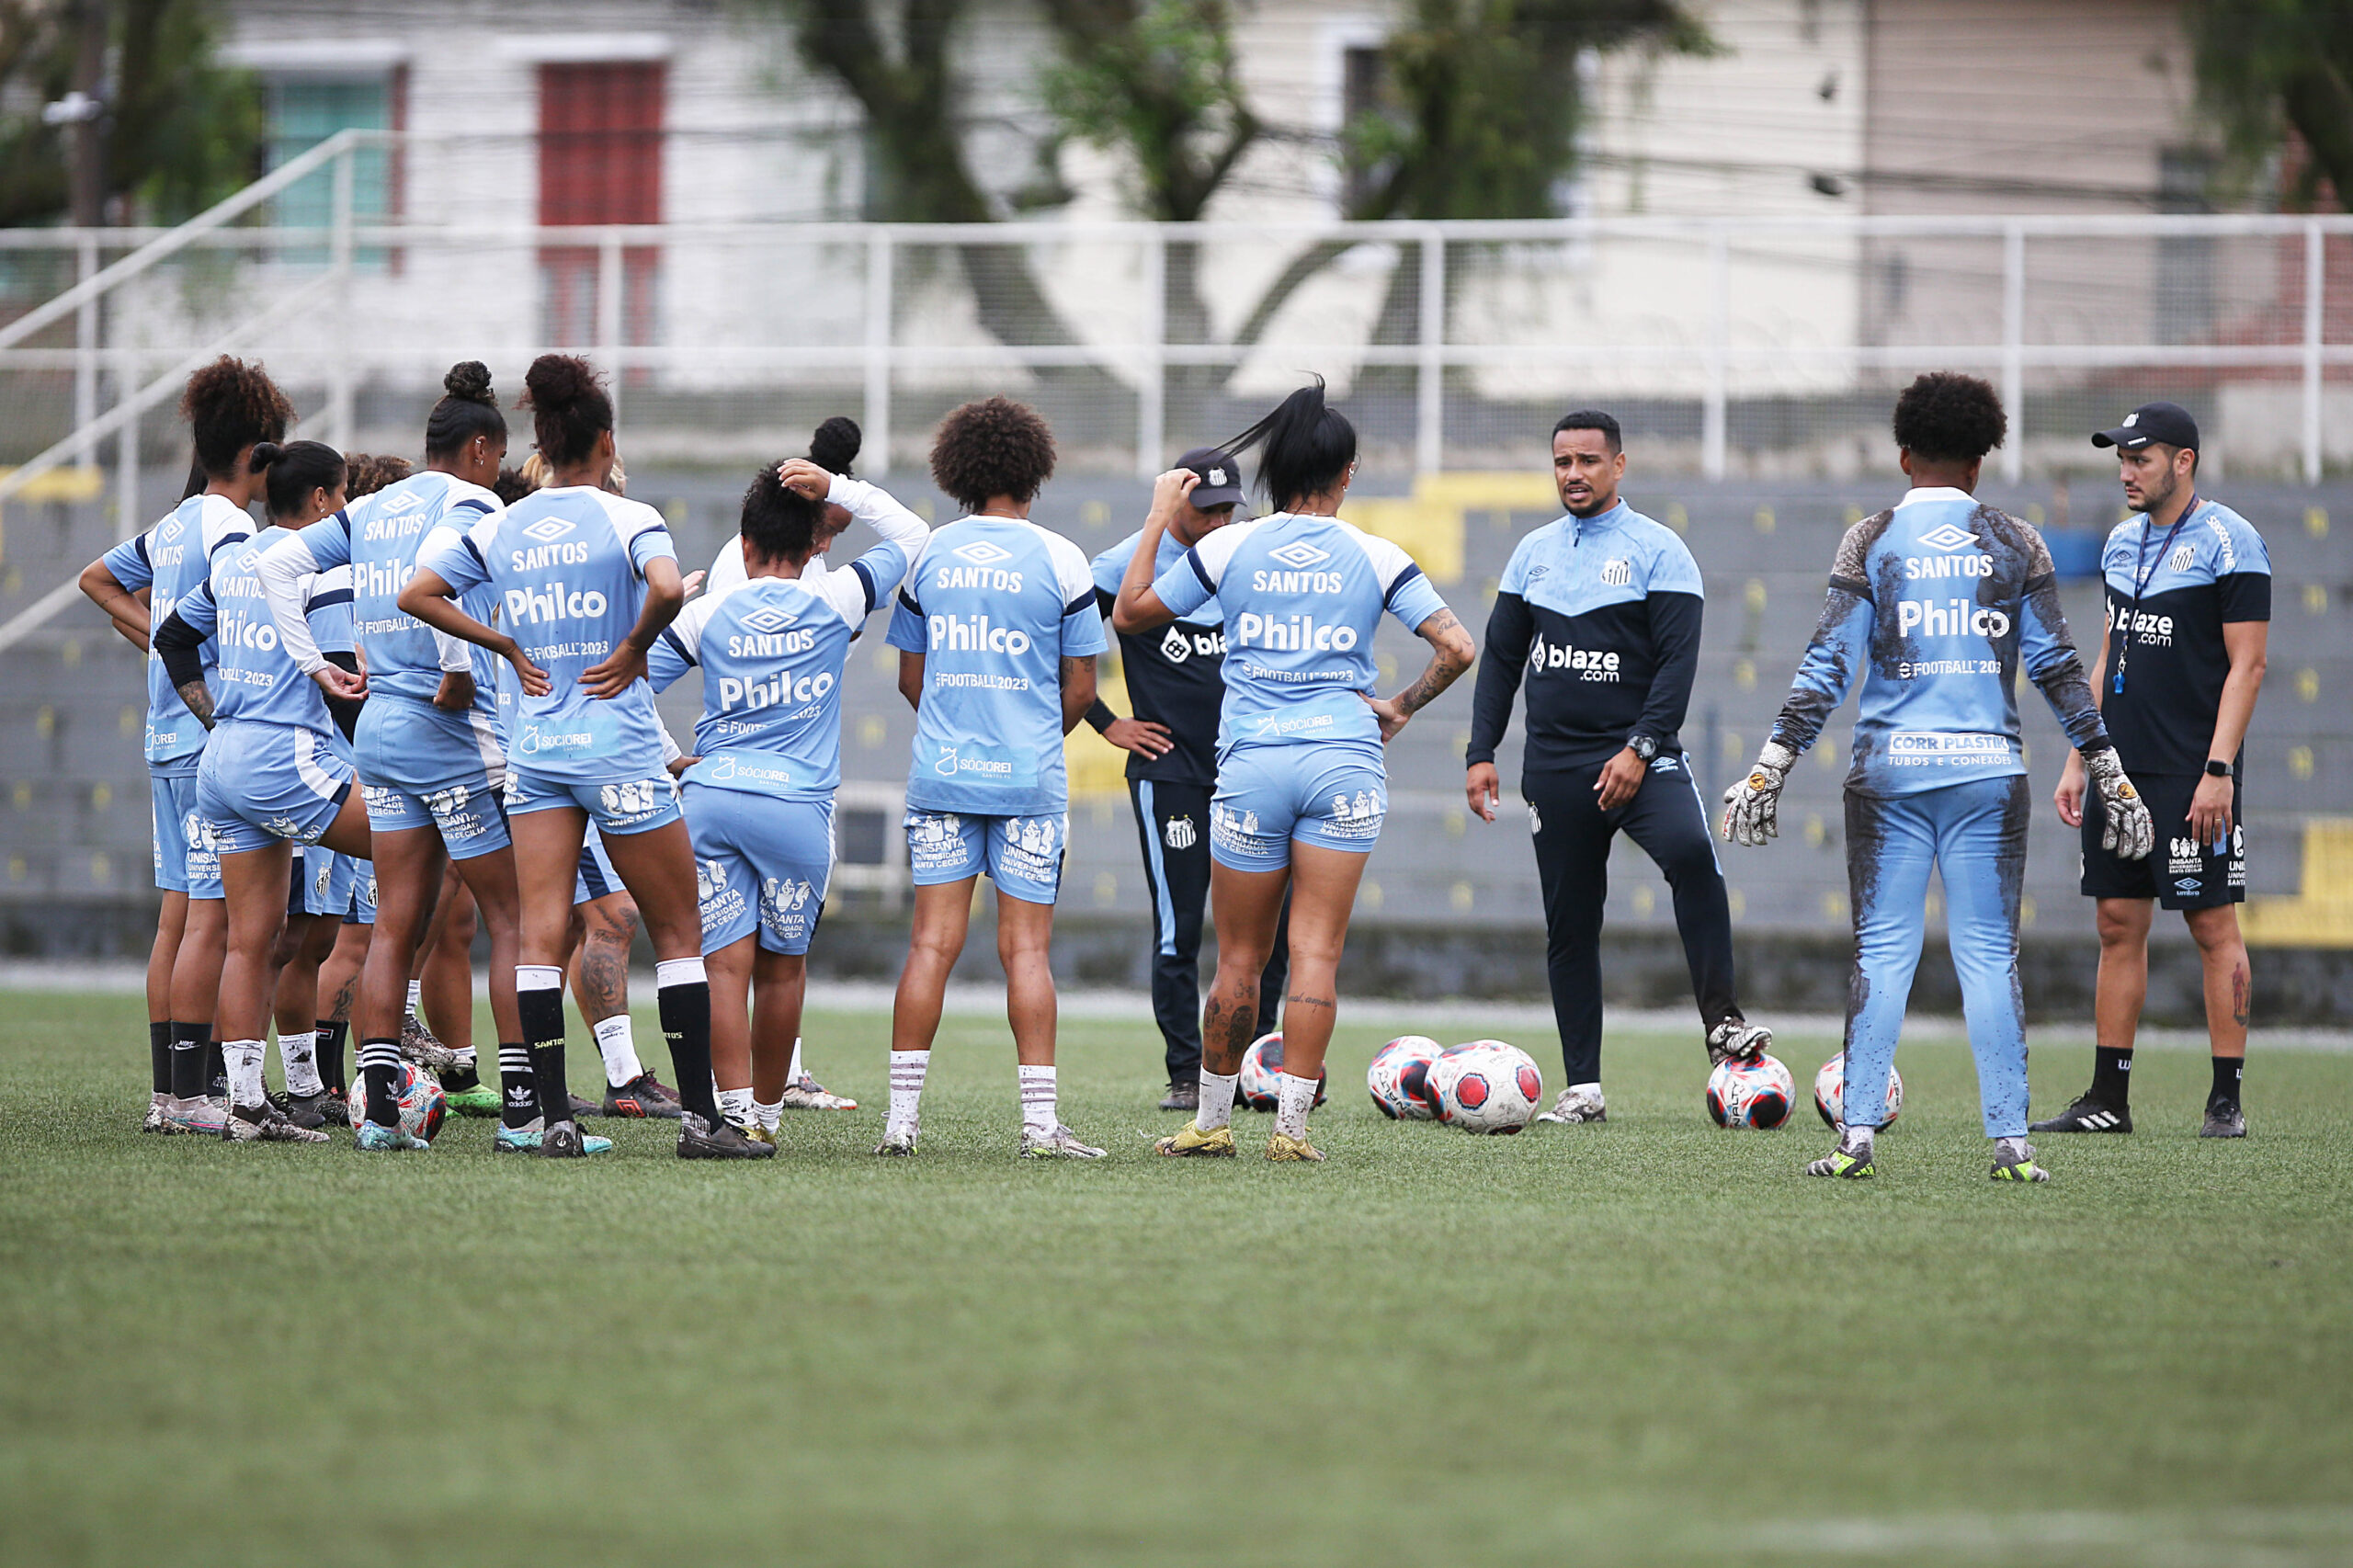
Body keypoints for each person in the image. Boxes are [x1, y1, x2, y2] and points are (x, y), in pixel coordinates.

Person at [1722, 371, 2155, 1184]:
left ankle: (1855, 1143)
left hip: (1889, 776)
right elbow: (2060, 668)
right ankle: (2012, 1147)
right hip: (1989, 776)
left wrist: (1768, 768)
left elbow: (1827, 666)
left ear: (1903, 453)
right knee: (1990, 957)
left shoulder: (1872, 539)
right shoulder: (2016, 541)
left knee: (1882, 955)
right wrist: (2111, 771)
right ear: (1981, 462)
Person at [402, 352, 760, 1159]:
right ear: (603, 440)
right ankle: (703, 1124)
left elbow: (415, 594)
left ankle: (552, 1119)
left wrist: (501, 642)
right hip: (619, 751)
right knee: (676, 929)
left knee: (536, 936)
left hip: (538, 754)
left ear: (542, 444)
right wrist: (637, 647)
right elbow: (668, 589)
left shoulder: (498, 523)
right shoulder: (627, 518)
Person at [1114, 380, 1477, 1163]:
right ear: (1347, 474)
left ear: (1273, 475)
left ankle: (1210, 1124)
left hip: (1251, 769)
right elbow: (1459, 647)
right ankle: (1290, 1132)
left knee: (1239, 957)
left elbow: (1132, 611)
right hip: (1344, 764)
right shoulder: (1377, 554)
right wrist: (1403, 704)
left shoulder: (1227, 545)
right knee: (1315, 955)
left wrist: (1155, 515)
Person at [259, 363, 564, 1151]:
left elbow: (276, 564)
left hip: (380, 733)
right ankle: (528, 1118)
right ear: (478, 448)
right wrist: (460, 670)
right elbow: (437, 579)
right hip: (446, 728)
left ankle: (382, 1117)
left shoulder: (368, 507)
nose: (498, 473)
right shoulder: (469, 501)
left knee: (395, 923)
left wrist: (314, 665)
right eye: (497, 459)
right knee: (515, 917)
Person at [1464, 411, 1771, 1125]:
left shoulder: (1660, 552)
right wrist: (1482, 752)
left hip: (1643, 757)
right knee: (1570, 924)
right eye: (1563, 462)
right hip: (1555, 767)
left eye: (1588, 462)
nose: (1574, 474)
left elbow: (1676, 666)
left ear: (1619, 466)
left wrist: (1640, 747)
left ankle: (1722, 1021)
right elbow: (1502, 660)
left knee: (1694, 853)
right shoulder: (1532, 553)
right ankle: (1584, 1090)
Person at [649, 442, 927, 1142]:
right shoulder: (837, 599)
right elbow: (915, 538)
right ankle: (768, 1116)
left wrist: (670, 756)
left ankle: (733, 1110)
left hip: (710, 800)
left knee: (723, 965)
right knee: (782, 970)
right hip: (796, 813)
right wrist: (843, 486)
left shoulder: (706, 612)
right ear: (812, 545)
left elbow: (623, 682)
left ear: (744, 545)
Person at [876, 396, 1107, 1159]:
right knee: (1027, 953)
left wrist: (957, 731)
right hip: (1028, 784)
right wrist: (1030, 738)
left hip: (942, 778)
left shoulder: (931, 555)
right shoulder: (1062, 558)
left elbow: (912, 678)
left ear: (957, 473)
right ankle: (1040, 1128)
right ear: (1034, 472)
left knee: (931, 945)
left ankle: (900, 1124)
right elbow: (1081, 689)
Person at [2039, 402, 2270, 1140]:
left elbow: (2249, 665)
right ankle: (2109, 1099)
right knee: (2115, 923)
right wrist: (2082, 756)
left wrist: (2219, 769)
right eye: (2122, 459)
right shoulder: (2119, 542)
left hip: (2193, 771)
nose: (2126, 471)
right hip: (2123, 770)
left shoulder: (2232, 542)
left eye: (2140, 458)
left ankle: (2225, 1103)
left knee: (2210, 925)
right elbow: (2110, 656)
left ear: (2184, 462)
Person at [82, 358, 289, 1135]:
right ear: (258, 453)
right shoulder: (234, 527)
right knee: (215, 920)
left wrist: (163, 648)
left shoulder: (174, 523)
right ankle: (193, 1096)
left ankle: (168, 1096)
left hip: (162, 735)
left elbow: (96, 580)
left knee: (179, 917)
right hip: (205, 741)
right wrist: (187, 661)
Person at [153, 438, 366, 1145]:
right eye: (343, 495)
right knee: (413, 852)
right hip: (289, 760)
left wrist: (215, 715)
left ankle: (245, 1104)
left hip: (225, 761)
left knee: (253, 940)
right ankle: (388, 1076)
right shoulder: (318, 569)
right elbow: (342, 687)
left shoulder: (235, 562)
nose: (346, 508)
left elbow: (175, 637)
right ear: (319, 502)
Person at [1086, 447, 1290, 1112]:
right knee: (1179, 929)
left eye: (1230, 509)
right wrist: (1104, 721)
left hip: (1247, 767)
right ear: (1176, 503)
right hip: (1169, 774)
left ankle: (1257, 1065)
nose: (1221, 521)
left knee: (1269, 930)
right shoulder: (1121, 566)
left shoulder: (1244, 555)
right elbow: (1060, 644)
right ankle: (1185, 1072)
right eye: (1207, 510)